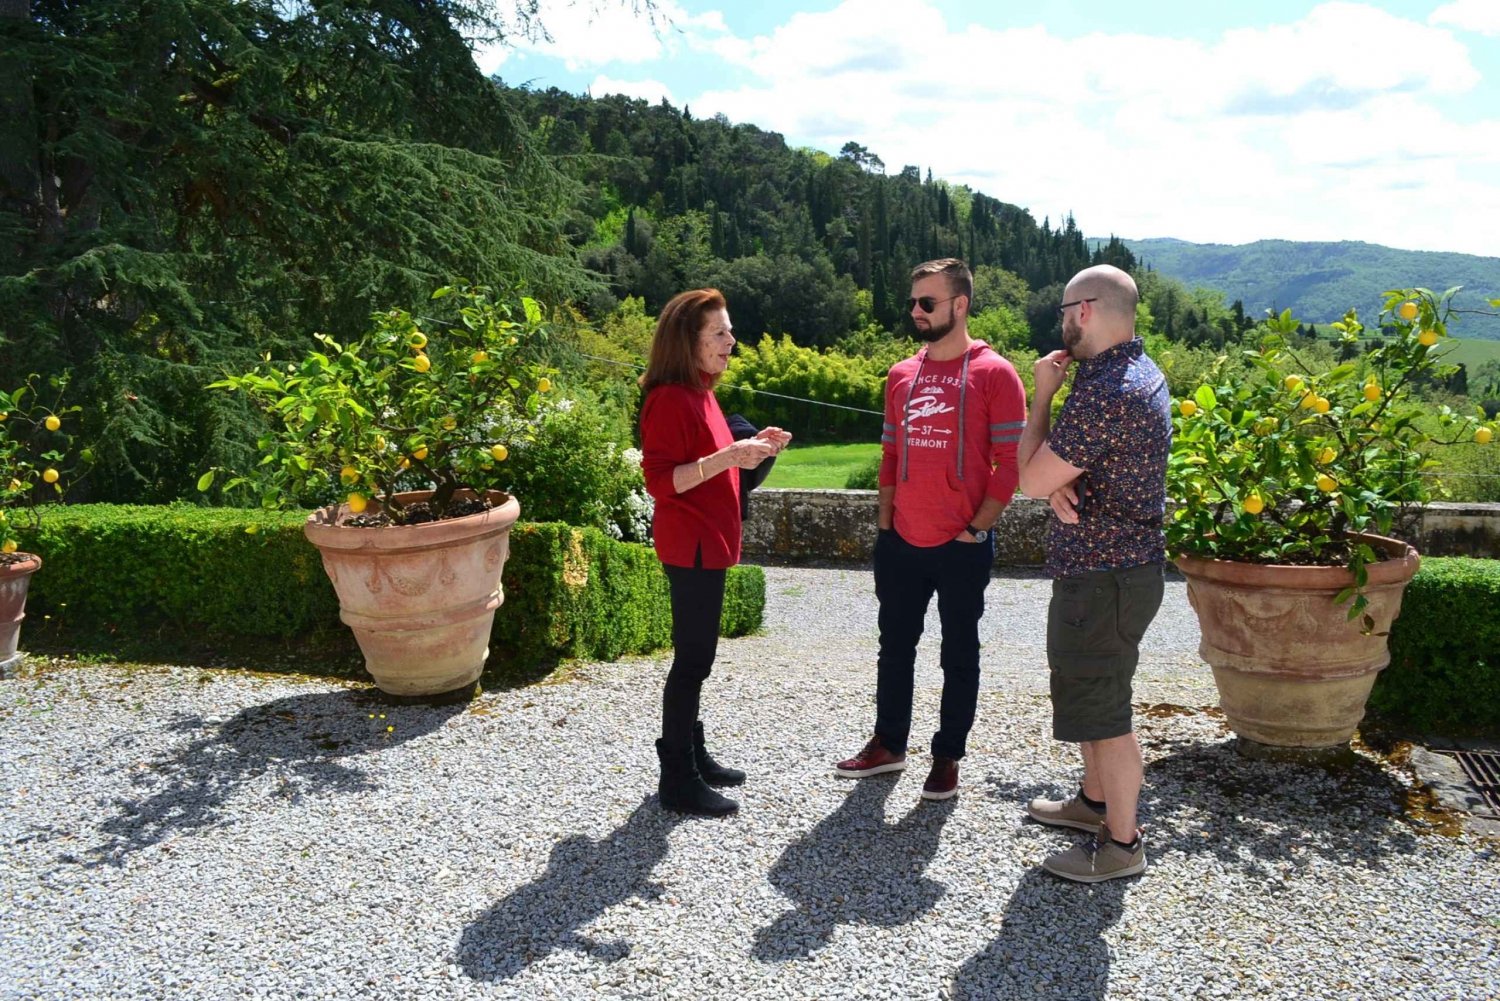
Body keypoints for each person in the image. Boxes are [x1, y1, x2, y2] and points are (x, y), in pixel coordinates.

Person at [834, 258, 1027, 801]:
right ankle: (889, 745)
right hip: (901, 542)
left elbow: (1008, 463)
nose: (916, 312)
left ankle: (947, 757)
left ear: (960, 305)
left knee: (958, 653)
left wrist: (977, 528)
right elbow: (891, 453)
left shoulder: (995, 373)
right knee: (894, 647)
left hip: (961, 544)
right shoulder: (900, 375)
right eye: (913, 302)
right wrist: (885, 526)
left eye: (928, 303)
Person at [1014, 264, 1171, 882]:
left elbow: (1029, 479)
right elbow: (1067, 473)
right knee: (1093, 696)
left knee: (1107, 712)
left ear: (1084, 311)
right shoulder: (1136, 373)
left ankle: (1122, 848)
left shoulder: (1107, 390)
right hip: (1120, 569)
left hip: (1103, 577)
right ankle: (1093, 804)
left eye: (1061, 312)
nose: (1060, 325)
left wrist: (1042, 396)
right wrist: (1063, 482)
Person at [639, 288, 792, 817]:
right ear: (689, 341)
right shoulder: (667, 398)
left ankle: (693, 754)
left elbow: (713, 460)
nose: (732, 341)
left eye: (728, 331)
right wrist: (730, 453)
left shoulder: (701, 391)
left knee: (697, 659)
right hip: (691, 544)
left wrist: (755, 447)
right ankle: (676, 777)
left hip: (710, 540)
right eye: (720, 333)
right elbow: (661, 482)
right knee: (692, 660)